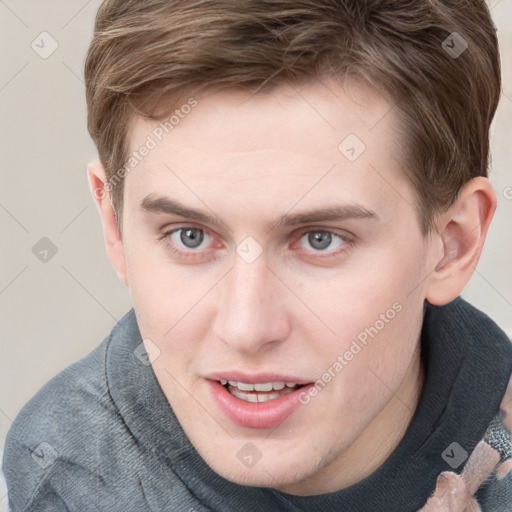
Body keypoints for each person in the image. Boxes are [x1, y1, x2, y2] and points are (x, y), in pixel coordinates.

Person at [3, 0, 512, 510]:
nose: (246, 329)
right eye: (190, 236)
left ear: (452, 245)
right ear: (115, 227)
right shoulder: (68, 474)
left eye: (320, 239)